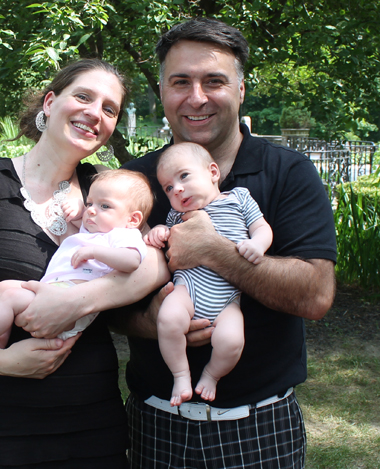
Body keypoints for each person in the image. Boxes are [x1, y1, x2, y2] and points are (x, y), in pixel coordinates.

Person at [0, 58, 169, 469]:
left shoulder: (107, 187)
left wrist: (80, 300)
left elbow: (154, 262)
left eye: (109, 108)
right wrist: (0, 361)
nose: (94, 113)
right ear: (50, 102)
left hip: (90, 420)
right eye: (83, 96)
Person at [117, 18, 337, 468]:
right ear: (162, 90)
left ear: (239, 90)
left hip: (259, 427)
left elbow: (316, 295)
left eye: (213, 81)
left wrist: (214, 251)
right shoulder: (137, 181)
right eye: (181, 81)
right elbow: (103, 303)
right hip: (154, 422)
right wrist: (149, 319)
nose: (196, 97)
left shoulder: (288, 173)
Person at [0, 169, 153, 355]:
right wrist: (78, 210)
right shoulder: (94, 229)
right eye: (90, 203)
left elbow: (132, 261)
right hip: (54, 291)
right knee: (4, 287)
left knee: (11, 296)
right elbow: (81, 219)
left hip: (71, 306)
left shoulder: (123, 235)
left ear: (133, 220)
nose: (91, 210)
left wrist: (95, 252)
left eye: (104, 206)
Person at [144, 142, 273, 406]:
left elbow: (262, 227)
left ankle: (211, 376)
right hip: (188, 288)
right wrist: (158, 231)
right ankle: (181, 375)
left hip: (227, 299)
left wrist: (258, 245)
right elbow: (167, 236)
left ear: (213, 172)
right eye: (168, 188)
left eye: (184, 176)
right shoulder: (177, 214)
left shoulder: (239, 198)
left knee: (232, 340)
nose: (177, 188)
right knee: (167, 320)